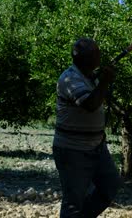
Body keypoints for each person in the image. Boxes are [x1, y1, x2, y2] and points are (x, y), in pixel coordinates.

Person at [53, 37, 123, 217]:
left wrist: (101, 80)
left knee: (110, 185)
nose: (100, 57)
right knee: (73, 202)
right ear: (85, 58)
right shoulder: (69, 79)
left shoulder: (89, 77)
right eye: (97, 53)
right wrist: (105, 81)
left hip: (96, 147)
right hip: (73, 150)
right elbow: (90, 104)